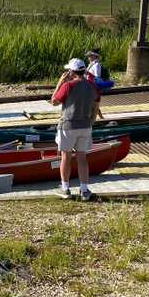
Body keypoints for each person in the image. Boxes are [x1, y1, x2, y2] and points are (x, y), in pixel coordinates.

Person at [51, 58, 101, 201]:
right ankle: (84, 190)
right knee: (82, 158)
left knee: (65, 157)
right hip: (85, 125)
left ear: (72, 72)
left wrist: (60, 83)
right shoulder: (93, 86)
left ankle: (65, 189)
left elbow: (54, 101)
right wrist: (90, 122)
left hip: (68, 125)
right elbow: (96, 107)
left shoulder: (68, 86)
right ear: (84, 71)